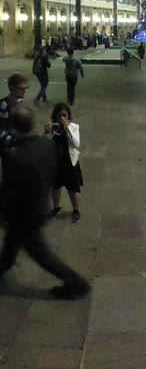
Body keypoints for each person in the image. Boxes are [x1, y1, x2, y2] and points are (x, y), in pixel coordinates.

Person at [0, 103, 88, 299]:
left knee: (42, 255)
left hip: (25, 215)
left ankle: (77, 284)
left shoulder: (15, 156)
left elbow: (9, 191)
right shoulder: (44, 144)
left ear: (13, 127)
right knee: (10, 247)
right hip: (38, 206)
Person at [46, 103, 79, 224]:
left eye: (64, 115)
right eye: (59, 116)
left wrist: (66, 128)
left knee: (72, 188)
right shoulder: (53, 127)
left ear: (69, 116)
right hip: (56, 161)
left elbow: (75, 144)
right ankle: (56, 207)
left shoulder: (74, 127)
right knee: (55, 186)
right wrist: (46, 132)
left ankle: (75, 209)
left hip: (69, 161)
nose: (62, 119)